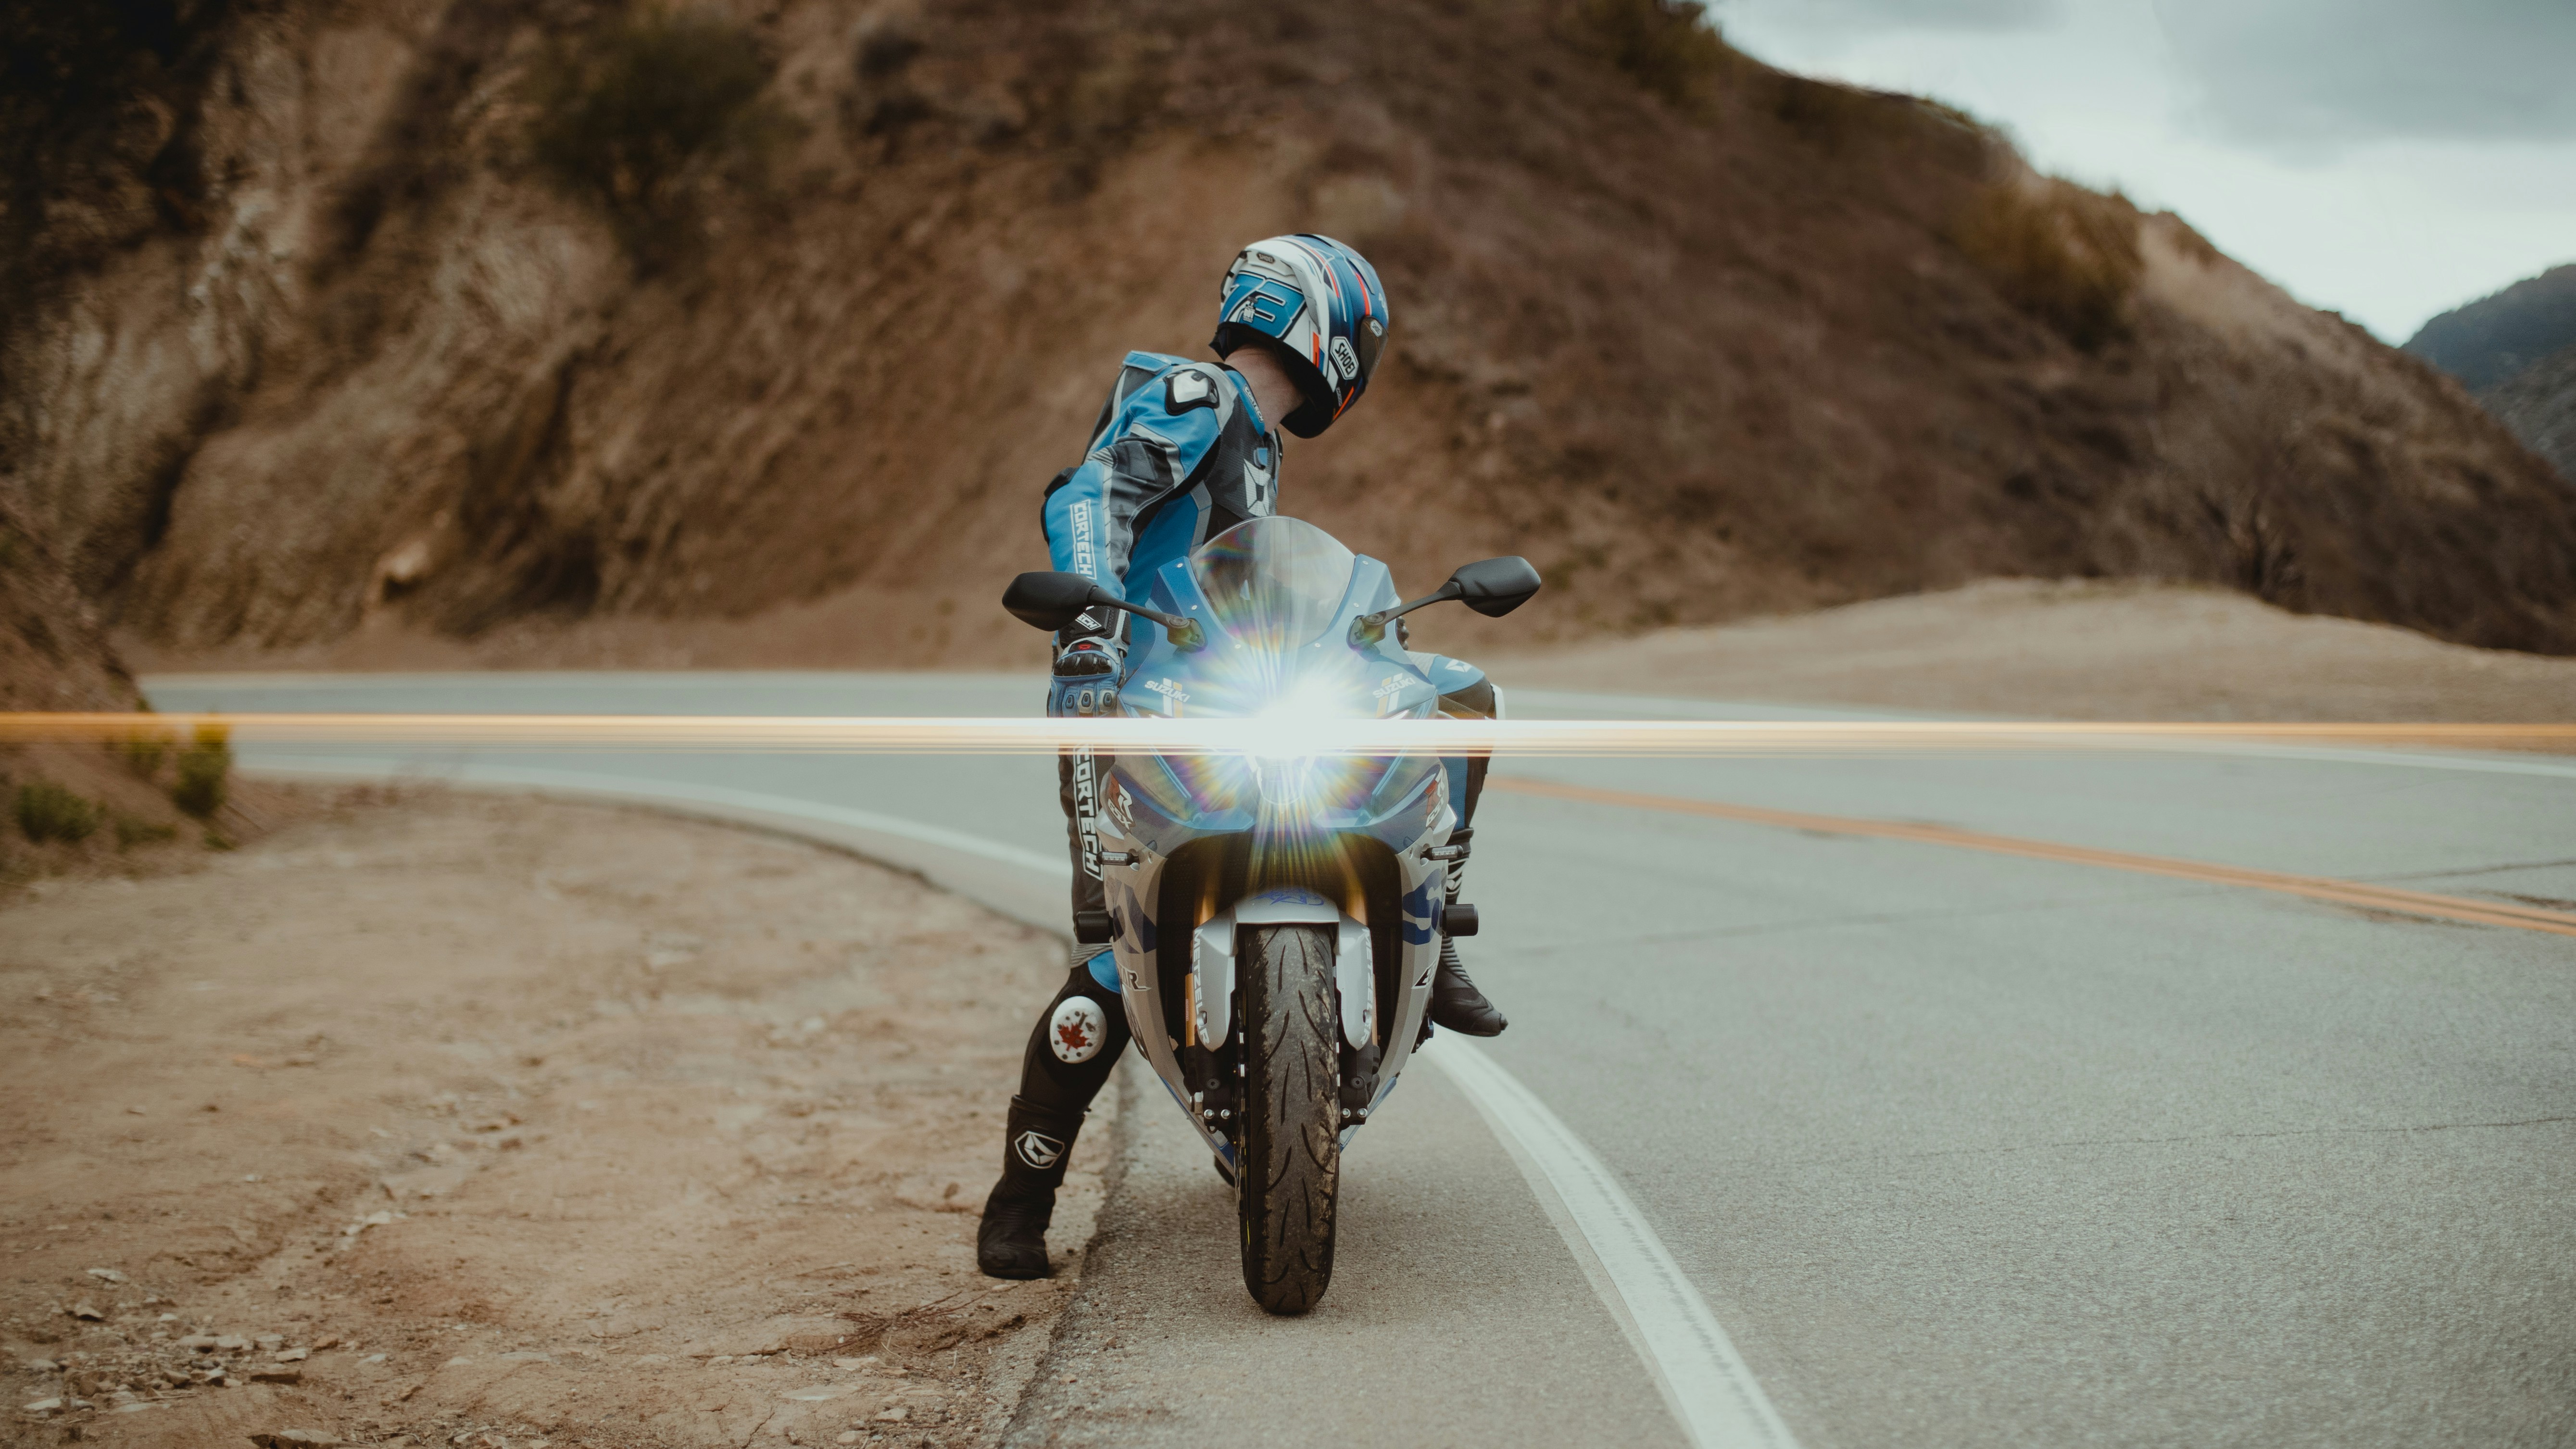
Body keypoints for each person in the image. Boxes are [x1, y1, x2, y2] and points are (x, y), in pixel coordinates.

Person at [977, 234, 1508, 1280]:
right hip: (1129, 706)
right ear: (1329, 325)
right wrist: (1087, 631)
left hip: (1226, 705)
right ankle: (1021, 1196)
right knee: (1114, 950)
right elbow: (1088, 495)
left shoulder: (1259, 448)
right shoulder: (1196, 393)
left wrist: (1357, 638)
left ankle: (1432, 907)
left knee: (1461, 691)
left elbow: (1256, 585)